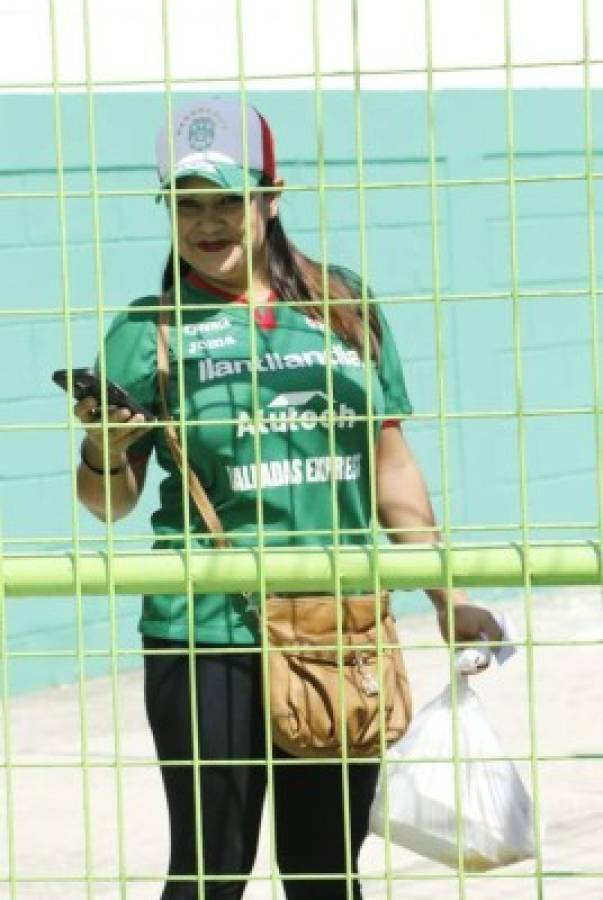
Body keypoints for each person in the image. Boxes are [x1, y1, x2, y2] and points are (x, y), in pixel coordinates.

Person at [75, 96, 502, 900]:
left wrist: (447, 598)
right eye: (186, 204)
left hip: (338, 624)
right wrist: (104, 447)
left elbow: (391, 468)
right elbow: (109, 502)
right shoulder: (147, 330)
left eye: (228, 200)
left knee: (322, 873)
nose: (207, 223)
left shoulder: (342, 305)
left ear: (270, 198)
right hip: (206, 630)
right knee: (210, 871)